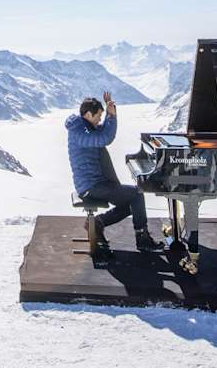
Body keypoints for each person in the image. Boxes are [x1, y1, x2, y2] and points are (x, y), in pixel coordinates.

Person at [66, 92, 164, 253]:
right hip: (91, 186)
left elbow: (101, 132)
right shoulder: (79, 133)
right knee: (136, 194)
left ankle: (98, 223)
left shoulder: (83, 127)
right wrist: (111, 117)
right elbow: (104, 138)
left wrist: (109, 115)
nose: (99, 120)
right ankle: (143, 239)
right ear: (88, 114)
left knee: (131, 203)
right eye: (98, 116)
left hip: (94, 183)